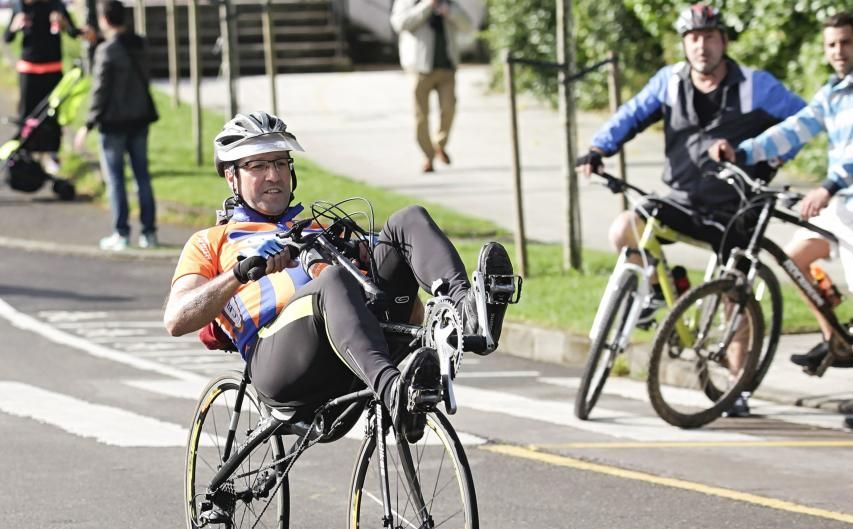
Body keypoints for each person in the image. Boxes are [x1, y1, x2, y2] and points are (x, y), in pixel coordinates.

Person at [163, 111, 515, 444]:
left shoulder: (320, 231)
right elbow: (177, 320)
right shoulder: (211, 242)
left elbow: (405, 306)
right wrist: (238, 273)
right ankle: (395, 393)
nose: (273, 175)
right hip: (281, 364)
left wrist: (373, 260)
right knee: (331, 282)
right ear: (231, 175)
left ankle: (469, 317)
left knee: (408, 220)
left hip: (354, 352)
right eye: (257, 166)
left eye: (281, 163)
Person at [577, 3, 806, 417]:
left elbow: (805, 120)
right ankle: (657, 292)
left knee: (735, 294)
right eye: (694, 38)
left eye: (710, 37)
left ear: (724, 42)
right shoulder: (669, 81)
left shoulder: (756, 85)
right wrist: (598, 149)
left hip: (736, 208)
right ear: (685, 43)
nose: (702, 46)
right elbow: (630, 115)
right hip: (681, 198)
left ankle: (736, 390)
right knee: (624, 229)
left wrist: (768, 161)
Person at [710, 12, 853, 430]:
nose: (839, 52)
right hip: (843, 199)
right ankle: (835, 339)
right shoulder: (834, 90)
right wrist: (743, 152)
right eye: (832, 45)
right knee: (795, 260)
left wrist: (829, 186)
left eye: (846, 43)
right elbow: (797, 128)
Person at [74, 0, 158, 251]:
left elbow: (100, 90)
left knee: (116, 180)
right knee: (142, 176)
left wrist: (87, 124)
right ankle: (148, 233)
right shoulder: (140, 43)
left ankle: (121, 233)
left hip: (113, 124)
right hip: (140, 118)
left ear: (104, 19)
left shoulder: (106, 51)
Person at [390, 0, 473, 173]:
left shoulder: (448, 2)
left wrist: (448, 11)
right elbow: (400, 23)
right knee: (421, 116)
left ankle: (439, 145)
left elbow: (467, 26)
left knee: (448, 109)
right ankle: (428, 156)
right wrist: (427, 6)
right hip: (419, 69)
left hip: (447, 67)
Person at [4, 0, 79, 174]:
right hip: (29, 68)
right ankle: (26, 152)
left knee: (52, 114)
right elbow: (7, 38)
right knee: (26, 115)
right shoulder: (21, 6)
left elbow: (72, 32)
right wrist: (15, 26)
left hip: (52, 69)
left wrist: (63, 23)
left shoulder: (56, 6)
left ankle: (52, 153)